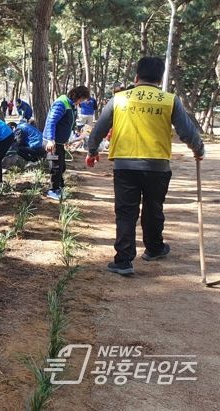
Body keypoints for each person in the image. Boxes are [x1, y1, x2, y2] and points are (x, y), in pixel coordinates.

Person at [86, 56, 204, 276]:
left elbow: (99, 128)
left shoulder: (119, 99)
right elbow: (187, 131)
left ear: (136, 76)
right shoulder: (169, 100)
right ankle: (154, 248)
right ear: (160, 78)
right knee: (153, 208)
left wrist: (92, 151)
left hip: (125, 165)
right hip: (157, 166)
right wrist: (198, 149)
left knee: (126, 212)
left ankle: (123, 261)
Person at [43, 86, 91, 200]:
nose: (81, 102)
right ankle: (53, 190)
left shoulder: (71, 105)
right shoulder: (61, 103)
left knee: (61, 166)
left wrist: (74, 135)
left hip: (60, 143)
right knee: (55, 166)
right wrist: (50, 139)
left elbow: (69, 123)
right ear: (78, 96)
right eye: (82, 99)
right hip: (52, 143)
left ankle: (60, 187)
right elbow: (51, 122)